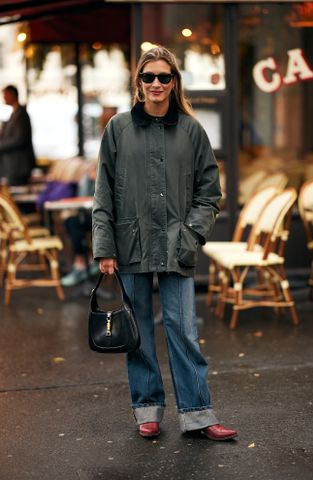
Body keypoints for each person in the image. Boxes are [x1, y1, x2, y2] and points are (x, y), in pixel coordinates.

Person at [92, 46, 238, 441]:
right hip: (129, 244)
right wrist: (104, 247)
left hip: (178, 245)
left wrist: (192, 232)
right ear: (138, 83)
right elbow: (103, 192)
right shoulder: (118, 128)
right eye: (148, 77)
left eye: (164, 77)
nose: (156, 84)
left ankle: (198, 414)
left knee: (183, 329)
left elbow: (210, 192)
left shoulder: (192, 131)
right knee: (136, 331)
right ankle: (148, 409)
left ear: (175, 83)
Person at [0, 85, 36, 185]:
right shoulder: (15, 114)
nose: (4, 98)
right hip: (13, 165)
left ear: (12, 95)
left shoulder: (21, 114)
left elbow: (19, 139)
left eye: (5, 95)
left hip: (18, 166)